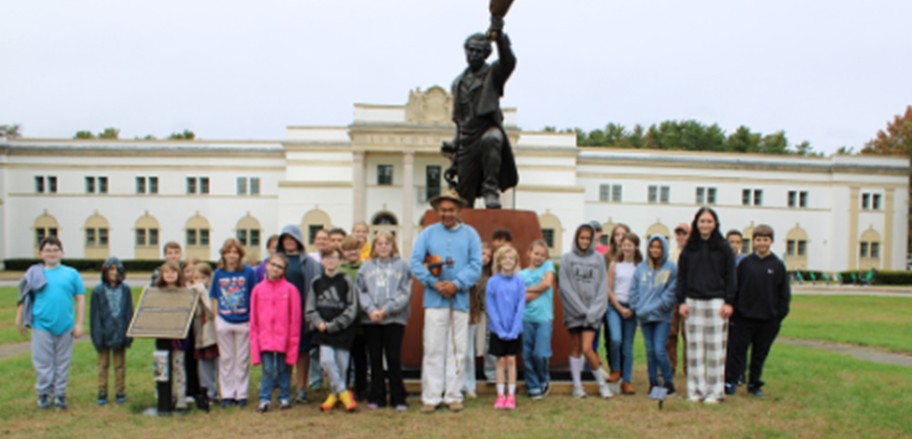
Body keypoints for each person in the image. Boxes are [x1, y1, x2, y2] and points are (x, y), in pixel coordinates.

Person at [410, 189, 482, 413]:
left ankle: (453, 394)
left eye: (451, 209)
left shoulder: (471, 234)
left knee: (457, 349)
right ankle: (431, 396)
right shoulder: (428, 234)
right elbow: (415, 262)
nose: (447, 213)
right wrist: (434, 283)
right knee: (433, 348)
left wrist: (457, 284)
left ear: (459, 210)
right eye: (443, 210)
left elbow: (475, 265)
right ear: (437, 210)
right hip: (434, 300)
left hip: (459, 301)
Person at [446, 21, 518, 209]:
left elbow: (508, 62)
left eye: (479, 51)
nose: (474, 54)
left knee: (492, 139)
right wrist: (454, 143)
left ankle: (490, 189)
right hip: (467, 138)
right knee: (464, 199)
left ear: (487, 54)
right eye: (471, 50)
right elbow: (460, 120)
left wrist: (500, 37)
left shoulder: (492, 74)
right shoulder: (457, 83)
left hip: (486, 128)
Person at [16, 236, 86, 410]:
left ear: (62, 252)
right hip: (42, 325)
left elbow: (80, 298)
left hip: (65, 326)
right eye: (48, 250)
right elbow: (24, 297)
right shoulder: (35, 274)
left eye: (55, 250)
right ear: (40, 253)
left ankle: (60, 394)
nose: (52, 254)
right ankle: (44, 394)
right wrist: (20, 319)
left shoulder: (71, 274)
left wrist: (79, 323)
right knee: (43, 362)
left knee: (63, 361)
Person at [677, 207, 736, 404]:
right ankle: (695, 390)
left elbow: (731, 276)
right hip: (693, 302)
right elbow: (682, 277)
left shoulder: (723, 247)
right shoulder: (689, 248)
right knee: (694, 350)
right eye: (702, 221)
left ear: (715, 224)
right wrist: (681, 301)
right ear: (696, 223)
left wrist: (729, 301)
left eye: (709, 221)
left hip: (716, 302)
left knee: (716, 350)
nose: (705, 225)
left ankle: (715, 391)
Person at [725, 225, 791, 398]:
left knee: (759, 354)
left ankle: (754, 383)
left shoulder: (777, 265)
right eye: (758, 239)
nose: (762, 243)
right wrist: (736, 311)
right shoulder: (745, 264)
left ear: (771, 242)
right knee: (737, 352)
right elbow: (735, 289)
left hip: (767, 320)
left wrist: (778, 316)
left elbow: (784, 294)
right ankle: (731, 381)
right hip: (744, 318)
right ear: (753, 241)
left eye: (765, 240)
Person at [356, 231, 412, 411]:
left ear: (393, 246)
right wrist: (371, 310)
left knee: (393, 357)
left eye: (386, 243)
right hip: (371, 320)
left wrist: (386, 310)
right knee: (375, 358)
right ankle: (377, 395)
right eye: (379, 244)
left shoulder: (402, 266)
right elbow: (361, 291)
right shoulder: (366, 267)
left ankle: (398, 397)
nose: (383, 247)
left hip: (394, 319)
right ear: (373, 247)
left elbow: (405, 292)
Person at [559, 223, 613, 399]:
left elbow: (602, 286)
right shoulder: (567, 258)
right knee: (576, 347)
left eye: (587, 239)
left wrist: (594, 310)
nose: (584, 241)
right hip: (574, 312)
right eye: (581, 238)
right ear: (576, 238)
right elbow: (565, 287)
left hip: (593, 313)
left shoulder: (598, 259)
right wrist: (580, 309)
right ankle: (577, 386)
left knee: (588, 348)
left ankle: (602, 384)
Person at [307, 247, 359, 413]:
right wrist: (318, 323)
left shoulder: (345, 280)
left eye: (334, 257)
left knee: (342, 365)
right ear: (322, 261)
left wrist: (336, 324)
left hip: (342, 330)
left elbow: (352, 307)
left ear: (340, 261)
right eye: (327, 257)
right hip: (323, 331)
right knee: (327, 361)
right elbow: (310, 308)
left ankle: (334, 395)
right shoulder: (316, 282)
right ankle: (344, 393)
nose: (330, 261)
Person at [275, 225, 322, 404]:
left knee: (302, 351)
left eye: (292, 238)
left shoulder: (308, 262)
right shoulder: (276, 260)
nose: (289, 242)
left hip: (301, 312)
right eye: (285, 239)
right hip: (280, 313)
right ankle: (285, 386)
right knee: (283, 350)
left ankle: (302, 388)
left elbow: (314, 287)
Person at [250, 253, 302, 413]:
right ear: (266, 265)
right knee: (267, 369)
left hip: (283, 337)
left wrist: (292, 340)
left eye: (280, 267)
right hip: (265, 337)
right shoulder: (258, 290)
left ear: (284, 271)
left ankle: (284, 396)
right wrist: (255, 340)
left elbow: (295, 318)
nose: (275, 269)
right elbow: (254, 317)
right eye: (273, 265)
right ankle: (264, 398)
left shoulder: (291, 290)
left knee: (283, 368)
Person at [210, 238, 258, 408]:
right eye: (228, 252)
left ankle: (242, 393)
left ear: (240, 255)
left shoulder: (248, 272)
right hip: (224, 319)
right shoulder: (218, 274)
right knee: (227, 359)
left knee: (242, 359)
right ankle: (227, 394)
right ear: (223, 254)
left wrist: (253, 317)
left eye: (235, 252)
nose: (232, 255)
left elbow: (254, 295)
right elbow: (214, 296)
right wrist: (217, 318)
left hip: (244, 320)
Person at [629, 235, 678, 396]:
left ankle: (668, 382)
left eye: (658, 247)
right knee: (649, 351)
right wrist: (637, 308)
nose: (655, 250)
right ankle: (653, 382)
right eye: (652, 247)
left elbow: (670, 295)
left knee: (659, 350)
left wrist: (649, 309)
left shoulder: (671, 268)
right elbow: (634, 291)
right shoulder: (641, 268)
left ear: (663, 249)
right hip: (644, 318)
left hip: (661, 317)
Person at [90, 257, 134, 406]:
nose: (114, 273)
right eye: (111, 270)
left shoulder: (126, 290)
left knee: (119, 364)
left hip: (120, 331)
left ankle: (120, 391)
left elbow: (129, 312)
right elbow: (95, 316)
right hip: (104, 331)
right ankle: (102, 391)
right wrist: (97, 335)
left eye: (116, 270)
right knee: (102, 364)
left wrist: (129, 333)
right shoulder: (98, 291)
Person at [486, 245, 525, 410]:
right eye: (504, 258)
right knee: (500, 361)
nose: (508, 261)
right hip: (498, 330)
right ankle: (500, 395)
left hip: (514, 330)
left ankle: (511, 395)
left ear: (515, 261)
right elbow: (491, 306)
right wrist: (499, 328)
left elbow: (520, 305)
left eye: (511, 258)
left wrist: (515, 328)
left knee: (511, 360)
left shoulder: (519, 282)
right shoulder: (493, 282)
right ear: (499, 261)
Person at [607, 232, 643, 395]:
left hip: (632, 308)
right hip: (615, 306)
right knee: (615, 339)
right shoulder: (615, 264)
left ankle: (627, 380)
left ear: (636, 246)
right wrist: (620, 308)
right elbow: (608, 288)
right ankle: (616, 370)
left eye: (630, 245)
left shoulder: (640, 266)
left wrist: (632, 309)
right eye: (624, 245)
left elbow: (642, 290)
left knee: (627, 346)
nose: (627, 248)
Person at [520, 240, 555, 400]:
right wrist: (537, 288)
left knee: (540, 353)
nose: (539, 257)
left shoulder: (548, 266)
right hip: (526, 319)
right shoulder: (522, 275)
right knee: (527, 354)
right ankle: (533, 385)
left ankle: (543, 378)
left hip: (543, 318)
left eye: (542, 254)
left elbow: (547, 283)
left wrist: (529, 289)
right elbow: (522, 298)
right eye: (536, 253)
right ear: (529, 253)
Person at [339, 235, 368, 402]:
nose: (352, 253)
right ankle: (344, 388)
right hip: (345, 321)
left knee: (361, 357)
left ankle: (361, 389)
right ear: (343, 251)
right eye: (349, 249)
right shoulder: (340, 271)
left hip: (362, 320)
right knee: (344, 359)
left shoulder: (365, 268)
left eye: (355, 249)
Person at [464, 242, 492, 399]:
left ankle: (469, 385)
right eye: (483, 254)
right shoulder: (467, 270)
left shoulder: (488, 277)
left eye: (488, 255)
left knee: (470, 352)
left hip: (476, 316)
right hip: (462, 312)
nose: (485, 258)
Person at [190, 262, 219, 404]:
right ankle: (208, 393)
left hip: (214, 335)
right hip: (200, 337)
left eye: (202, 277)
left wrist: (203, 293)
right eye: (196, 278)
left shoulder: (212, 292)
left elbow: (211, 310)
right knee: (204, 367)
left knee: (218, 365)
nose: (199, 281)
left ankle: (221, 392)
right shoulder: (192, 293)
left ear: (209, 278)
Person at [667, 222, 690, 378]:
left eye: (684, 233)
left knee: (688, 335)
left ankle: (689, 367)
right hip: (673, 299)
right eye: (679, 233)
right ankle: (671, 366)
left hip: (689, 299)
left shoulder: (692, 253)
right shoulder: (671, 254)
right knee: (671, 334)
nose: (681, 237)